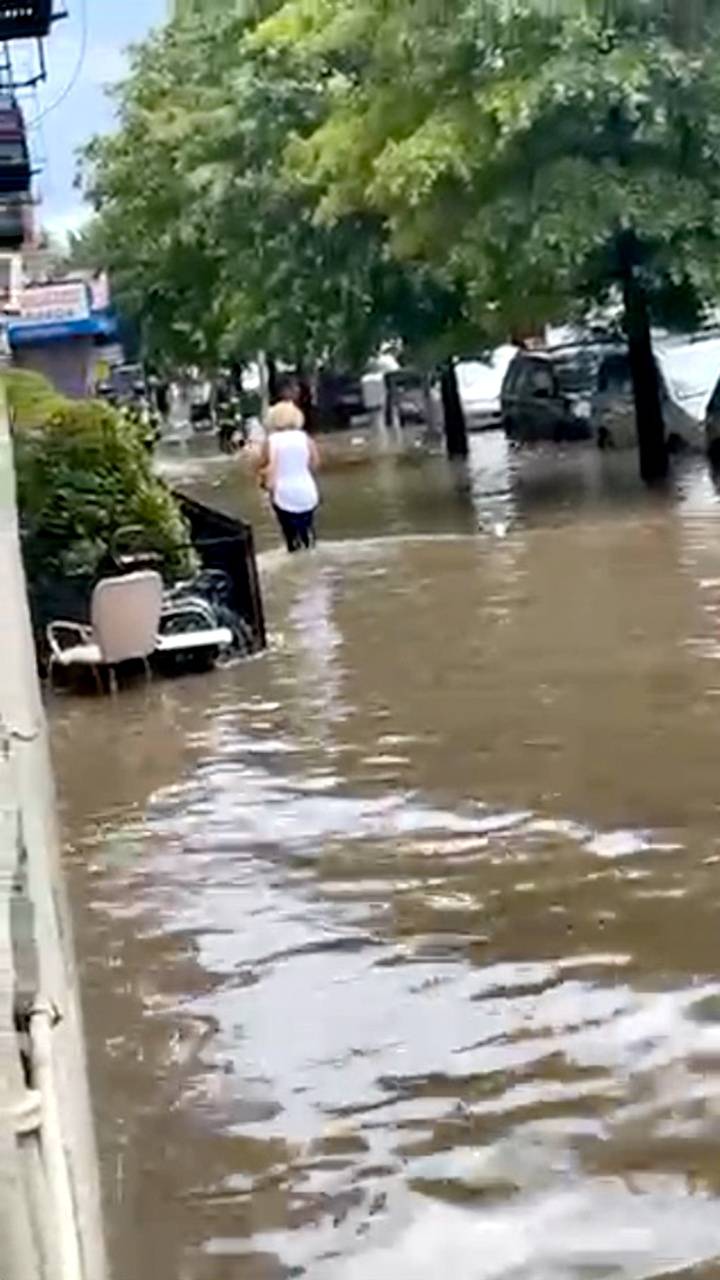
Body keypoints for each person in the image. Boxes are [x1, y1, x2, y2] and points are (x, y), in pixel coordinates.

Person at [257, 399, 320, 551]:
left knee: (290, 536)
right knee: (308, 531)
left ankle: (295, 555)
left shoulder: (271, 441)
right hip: (307, 490)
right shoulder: (305, 438)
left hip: (283, 492)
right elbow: (315, 463)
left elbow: (263, 465)